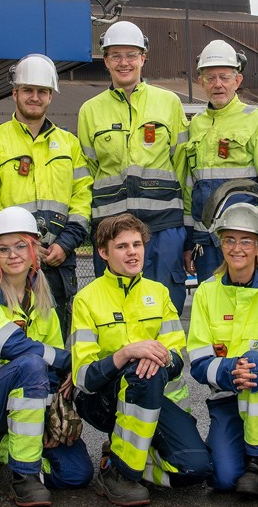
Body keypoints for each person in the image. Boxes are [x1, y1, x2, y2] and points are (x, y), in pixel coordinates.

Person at [0, 206, 93, 506]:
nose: (13, 254)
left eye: (21, 246)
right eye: (4, 249)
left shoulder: (44, 303)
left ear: (34, 251)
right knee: (30, 362)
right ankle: (24, 476)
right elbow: (12, 346)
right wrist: (69, 360)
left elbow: (52, 374)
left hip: (24, 402)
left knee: (76, 474)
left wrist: (48, 420)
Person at [71, 214, 212, 505]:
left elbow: (177, 360)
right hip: (102, 401)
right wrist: (126, 355)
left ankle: (122, 456)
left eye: (137, 244)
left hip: (154, 397)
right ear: (103, 252)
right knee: (139, 370)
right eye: (122, 246)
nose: (132, 252)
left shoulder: (159, 294)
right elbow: (84, 378)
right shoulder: (86, 299)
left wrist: (157, 359)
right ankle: (122, 475)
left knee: (195, 469)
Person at [0, 54, 92, 335]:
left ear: (50, 96)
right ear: (14, 93)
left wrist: (66, 243)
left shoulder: (69, 144)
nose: (34, 97)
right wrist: (21, 246)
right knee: (7, 339)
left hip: (57, 258)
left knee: (56, 338)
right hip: (9, 261)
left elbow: (82, 197)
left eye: (41, 91)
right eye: (28, 90)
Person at [185, 203, 258, 498]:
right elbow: (197, 362)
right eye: (229, 240)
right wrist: (231, 370)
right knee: (224, 480)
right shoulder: (206, 293)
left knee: (257, 363)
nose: (237, 248)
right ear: (220, 244)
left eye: (246, 240)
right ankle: (250, 446)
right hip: (226, 396)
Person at [78, 21, 191, 312]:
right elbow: (87, 172)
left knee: (164, 305)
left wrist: (187, 227)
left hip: (163, 227)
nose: (123, 62)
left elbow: (182, 167)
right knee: (113, 308)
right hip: (111, 227)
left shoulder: (169, 103)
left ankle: (165, 359)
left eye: (131, 55)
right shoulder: (90, 110)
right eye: (115, 56)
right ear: (105, 61)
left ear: (144, 57)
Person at [181, 40, 258, 281]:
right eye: (210, 78)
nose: (218, 84)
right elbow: (190, 187)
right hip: (205, 241)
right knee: (214, 306)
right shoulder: (195, 125)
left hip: (245, 240)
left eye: (225, 77)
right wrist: (189, 240)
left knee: (250, 309)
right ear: (201, 82)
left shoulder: (257, 121)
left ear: (237, 81)